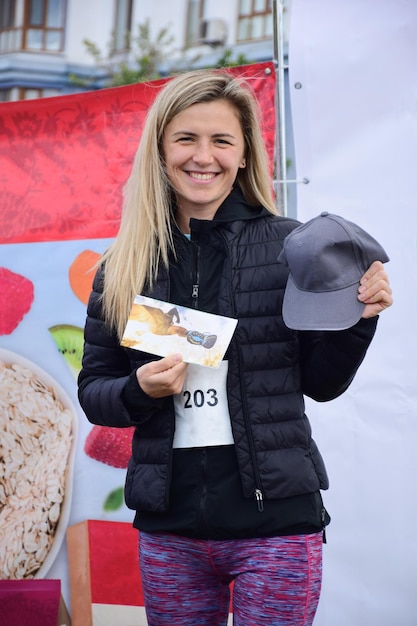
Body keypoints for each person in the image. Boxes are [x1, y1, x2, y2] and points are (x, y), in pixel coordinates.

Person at [78, 69, 393, 626]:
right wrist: (137, 389)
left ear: (245, 154)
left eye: (222, 140)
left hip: (277, 529)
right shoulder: (122, 266)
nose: (204, 156)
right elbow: (95, 391)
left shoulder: (293, 249)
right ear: (160, 150)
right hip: (170, 530)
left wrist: (359, 319)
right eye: (186, 139)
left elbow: (321, 384)